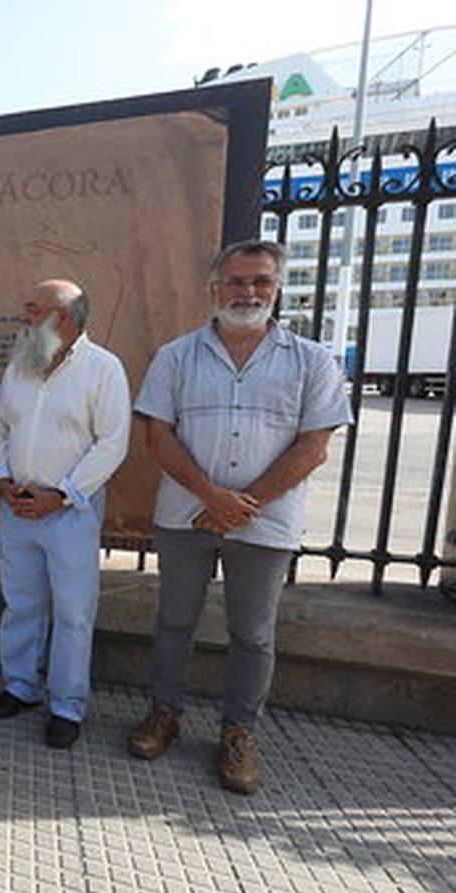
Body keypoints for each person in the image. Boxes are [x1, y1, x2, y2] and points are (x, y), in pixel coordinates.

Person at [127, 239, 350, 794]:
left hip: (266, 523)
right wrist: (212, 496)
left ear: (277, 288)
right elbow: (158, 436)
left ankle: (239, 731)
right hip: (186, 516)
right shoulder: (176, 356)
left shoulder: (312, 361)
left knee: (252, 633)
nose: (248, 292)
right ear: (214, 288)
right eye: (236, 281)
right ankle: (164, 713)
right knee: (174, 621)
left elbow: (313, 447)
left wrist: (240, 503)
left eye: (261, 282)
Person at [0, 279, 131, 749]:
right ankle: (20, 687)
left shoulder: (103, 369)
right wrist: (1, 478)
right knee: (21, 602)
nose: (24, 317)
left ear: (62, 317)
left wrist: (62, 495)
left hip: (70, 511)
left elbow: (112, 443)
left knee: (72, 611)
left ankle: (66, 705)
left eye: (32, 309)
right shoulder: (21, 366)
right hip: (17, 506)